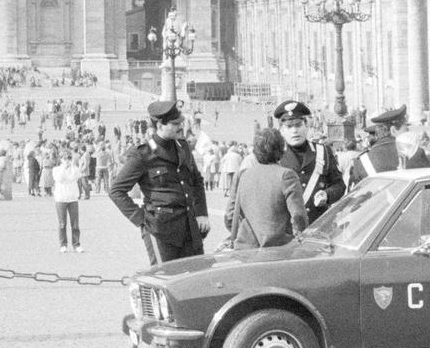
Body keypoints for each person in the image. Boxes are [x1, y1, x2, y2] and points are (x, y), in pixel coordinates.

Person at [109, 101, 210, 265]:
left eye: (181, 122)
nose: (180, 127)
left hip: (190, 227)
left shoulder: (182, 146)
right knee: (165, 280)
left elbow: (196, 180)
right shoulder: (142, 154)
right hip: (161, 231)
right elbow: (116, 190)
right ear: (160, 125)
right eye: (175, 124)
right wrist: (141, 220)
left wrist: (201, 212)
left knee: (194, 280)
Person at [228, 128, 308, 249]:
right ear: (281, 149)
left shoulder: (243, 175)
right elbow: (298, 217)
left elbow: (230, 216)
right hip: (278, 249)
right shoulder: (286, 175)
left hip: (246, 250)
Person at [349, 105, 410, 185]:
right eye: (406, 130)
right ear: (393, 130)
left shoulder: (362, 161)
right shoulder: (415, 153)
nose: (409, 133)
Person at [51, 150, 83, 253]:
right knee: (62, 223)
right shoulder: (56, 169)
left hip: (72, 198)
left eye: (69, 158)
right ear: (61, 159)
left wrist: (72, 166)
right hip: (61, 199)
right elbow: (59, 178)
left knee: (75, 223)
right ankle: (63, 244)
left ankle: (76, 244)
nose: (67, 161)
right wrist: (64, 168)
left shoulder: (75, 169)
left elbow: (74, 178)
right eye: (65, 158)